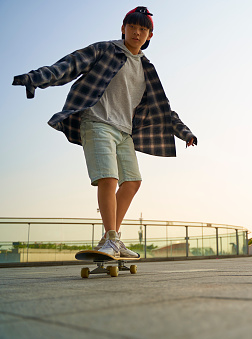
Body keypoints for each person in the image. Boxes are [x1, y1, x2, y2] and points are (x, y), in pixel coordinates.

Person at [12, 6, 197, 258]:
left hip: (124, 132)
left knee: (132, 182)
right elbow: (71, 64)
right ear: (123, 28)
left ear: (149, 36)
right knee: (108, 178)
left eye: (143, 29)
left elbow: (163, 109)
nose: (137, 32)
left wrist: (184, 132)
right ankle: (112, 239)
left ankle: (111, 240)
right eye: (133, 26)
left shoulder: (147, 68)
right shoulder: (105, 49)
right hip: (97, 121)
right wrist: (35, 78)